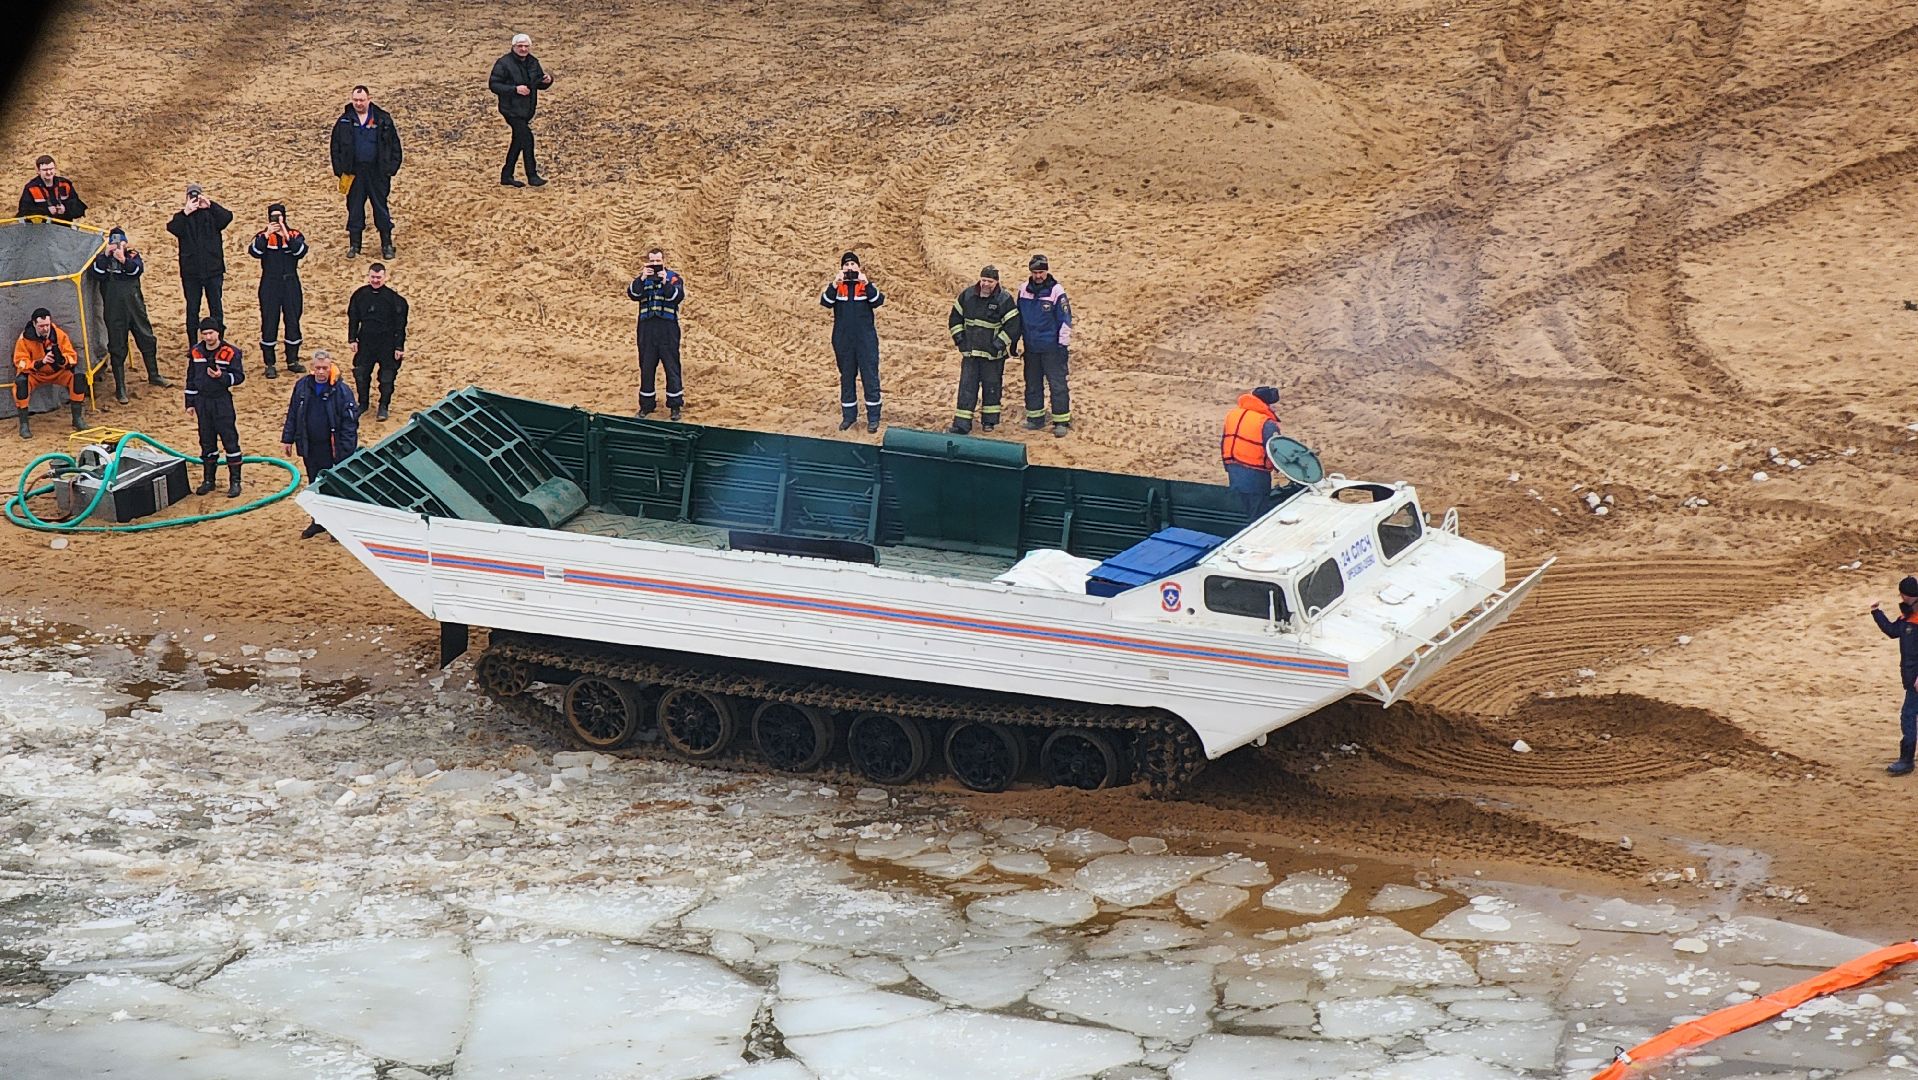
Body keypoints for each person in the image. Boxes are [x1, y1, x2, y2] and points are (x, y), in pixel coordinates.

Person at [280, 349, 359, 538]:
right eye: (317, 368)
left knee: (335, 486)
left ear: (330, 367)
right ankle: (318, 521)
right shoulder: (302, 386)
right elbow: (293, 413)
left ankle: (338, 525)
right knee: (314, 483)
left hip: (332, 447)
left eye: (324, 368)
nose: (321, 372)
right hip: (309, 444)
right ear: (311, 368)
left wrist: (346, 450)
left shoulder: (341, 391)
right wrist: (287, 438)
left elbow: (350, 422)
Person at [89, 226, 167, 402]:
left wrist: (123, 260)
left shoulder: (132, 255)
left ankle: (154, 374)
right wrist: (106, 256)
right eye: (114, 243)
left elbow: (136, 270)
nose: (117, 245)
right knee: (117, 346)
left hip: (135, 307)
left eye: (120, 242)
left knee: (146, 338)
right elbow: (96, 273)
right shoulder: (102, 259)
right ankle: (120, 387)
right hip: (114, 310)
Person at [328, 85, 403, 259]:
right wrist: (340, 171)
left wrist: (391, 169)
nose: (358, 103)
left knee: (380, 207)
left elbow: (394, 145)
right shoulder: (344, 121)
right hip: (353, 173)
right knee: (354, 209)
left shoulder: (382, 119)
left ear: (369, 99)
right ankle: (355, 246)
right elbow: (335, 147)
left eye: (361, 100)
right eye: (355, 100)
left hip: (377, 172)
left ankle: (386, 245)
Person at [946, 266, 1020, 435]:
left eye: (990, 281)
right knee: (966, 387)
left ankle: (989, 421)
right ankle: (962, 424)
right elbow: (955, 318)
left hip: (993, 356)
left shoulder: (1004, 299)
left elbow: (1013, 326)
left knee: (992, 388)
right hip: (970, 353)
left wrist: (998, 345)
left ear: (997, 282)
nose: (986, 284)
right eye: (984, 280)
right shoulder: (967, 295)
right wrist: (960, 340)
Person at [820, 251, 884, 432]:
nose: (850, 268)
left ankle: (873, 418)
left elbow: (878, 300)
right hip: (843, 340)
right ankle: (849, 417)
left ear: (859, 267)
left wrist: (866, 282)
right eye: (846, 265)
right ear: (841, 268)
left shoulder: (864, 286)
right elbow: (825, 302)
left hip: (866, 340)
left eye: (853, 265)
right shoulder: (837, 287)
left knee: (870, 377)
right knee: (846, 378)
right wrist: (834, 283)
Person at [166, 182, 233, 351]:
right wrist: (186, 211)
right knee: (192, 308)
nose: (195, 199)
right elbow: (172, 228)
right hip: (191, 273)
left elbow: (227, 218)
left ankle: (219, 341)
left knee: (216, 307)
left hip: (213, 270)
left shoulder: (211, 214)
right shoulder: (183, 217)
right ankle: (192, 344)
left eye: (196, 195)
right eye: (191, 196)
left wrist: (210, 205)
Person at [247, 202, 309, 380]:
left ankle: (292, 360)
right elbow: (254, 252)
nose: (276, 219)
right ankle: (270, 363)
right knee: (269, 321)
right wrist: (267, 234)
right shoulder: (263, 236)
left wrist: (286, 235)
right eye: (273, 216)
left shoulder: (294, 234)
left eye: (279, 216)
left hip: (291, 282)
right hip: (270, 283)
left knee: (293, 320)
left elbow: (300, 251)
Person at [184, 320, 246, 498]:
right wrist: (190, 402)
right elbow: (191, 377)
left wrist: (222, 377)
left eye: (211, 333)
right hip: (202, 402)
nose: (208, 337)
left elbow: (239, 377)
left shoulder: (230, 352)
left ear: (218, 333)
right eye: (204, 333)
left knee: (230, 441)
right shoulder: (196, 351)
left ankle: (235, 482)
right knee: (206, 441)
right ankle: (208, 480)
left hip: (221, 401)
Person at [1016, 254, 1073, 437]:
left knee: (1057, 385)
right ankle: (1035, 418)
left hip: (1052, 348)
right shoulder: (1024, 289)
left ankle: (1061, 421)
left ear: (1046, 271)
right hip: (1031, 347)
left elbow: (1065, 320)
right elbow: (1018, 318)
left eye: (1041, 272)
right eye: (1035, 272)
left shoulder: (1056, 291)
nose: (1038, 276)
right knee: (1032, 384)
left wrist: (1062, 346)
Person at [626, 248, 685, 419]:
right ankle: (646, 406)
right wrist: (643, 278)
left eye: (658, 261)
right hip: (647, 330)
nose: (655, 264)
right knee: (646, 367)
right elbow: (633, 294)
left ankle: (675, 406)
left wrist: (665, 281)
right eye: (652, 261)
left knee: (672, 367)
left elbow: (677, 296)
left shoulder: (673, 277)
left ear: (663, 261)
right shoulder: (642, 279)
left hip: (668, 329)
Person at [488, 33, 553, 187]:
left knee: (518, 141)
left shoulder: (533, 62)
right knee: (527, 139)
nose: (523, 49)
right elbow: (494, 85)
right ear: (513, 47)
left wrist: (547, 80)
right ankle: (532, 175)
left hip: (527, 109)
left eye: (526, 46)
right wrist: (515, 89)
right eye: (520, 46)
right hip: (511, 109)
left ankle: (506, 175)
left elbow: (537, 82)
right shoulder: (504, 63)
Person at [346, 262, 409, 421]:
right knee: (361, 374)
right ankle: (363, 403)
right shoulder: (360, 295)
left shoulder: (394, 299)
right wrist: (352, 339)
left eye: (378, 277)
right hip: (366, 341)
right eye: (373, 277)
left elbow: (401, 326)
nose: (375, 280)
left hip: (387, 343)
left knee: (387, 378)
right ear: (368, 276)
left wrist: (399, 346)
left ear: (385, 277)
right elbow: (353, 318)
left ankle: (383, 406)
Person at [1869, 575, 1918, 776]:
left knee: (1908, 716)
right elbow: (1891, 631)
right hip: (1911, 678)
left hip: (1915, 679)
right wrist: (1876, 612)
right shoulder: (1907, 618)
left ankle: (1906, 760)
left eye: (1902, 594)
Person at [12, 308, 85, 439]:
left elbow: (72, 356)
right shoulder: (24, 339)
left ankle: (77, 419)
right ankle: (24, 424)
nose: (45, 329)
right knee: (21, 383)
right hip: (35, 374)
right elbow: (20, 362)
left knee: (78, 376)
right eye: (41, 326)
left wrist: (62, 360)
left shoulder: (59, 335)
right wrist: (40, 362)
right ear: (34, 324)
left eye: (47, 325)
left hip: (58, 372)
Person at [1221, 386, 1284, 518]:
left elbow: (1225, 440)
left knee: (1245, 506)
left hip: (1233, 469)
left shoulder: (1232, 415)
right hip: (1256, 475)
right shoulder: (1266, 423)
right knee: (1258, 513)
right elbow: (1275, 451)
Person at [16, 155, 85, 221]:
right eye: (45, 170)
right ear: (38, 171)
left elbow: (79, 208)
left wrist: (65, 208)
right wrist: (46, 211)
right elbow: (23, 213)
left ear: (55, 168)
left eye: (51, 169)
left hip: (64, 229)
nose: (49, 172)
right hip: (41, 230)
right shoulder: (31, 188)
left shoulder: (65, 184)